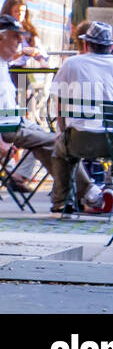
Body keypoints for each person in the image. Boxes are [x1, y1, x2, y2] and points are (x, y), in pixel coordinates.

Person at [48, 21, 113, 213]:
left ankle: (63, 201)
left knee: (60, 153)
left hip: (79, 140)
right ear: (111, 47)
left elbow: (58, 101)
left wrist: (61, 131)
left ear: (86, 45)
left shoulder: (71, 64)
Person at [0, 14, 65, 210]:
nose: (20, 41)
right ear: (1, 37)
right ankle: (85, 194)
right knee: (59, 143)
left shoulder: (4, 62)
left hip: (14, 122)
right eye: (15, 36)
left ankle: (71, 196)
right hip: (7, 127)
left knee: (48, 146)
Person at [1, 0, 48, 64]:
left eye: (22, 11)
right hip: (7, 67)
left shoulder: (28, 29)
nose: (19, 14)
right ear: (8, 11)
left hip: (21, 70)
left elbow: (40, 50)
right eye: (16, 11)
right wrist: (22, 52)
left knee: (23, 74)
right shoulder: (4, 29)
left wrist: (40, 58)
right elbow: (5, 57)